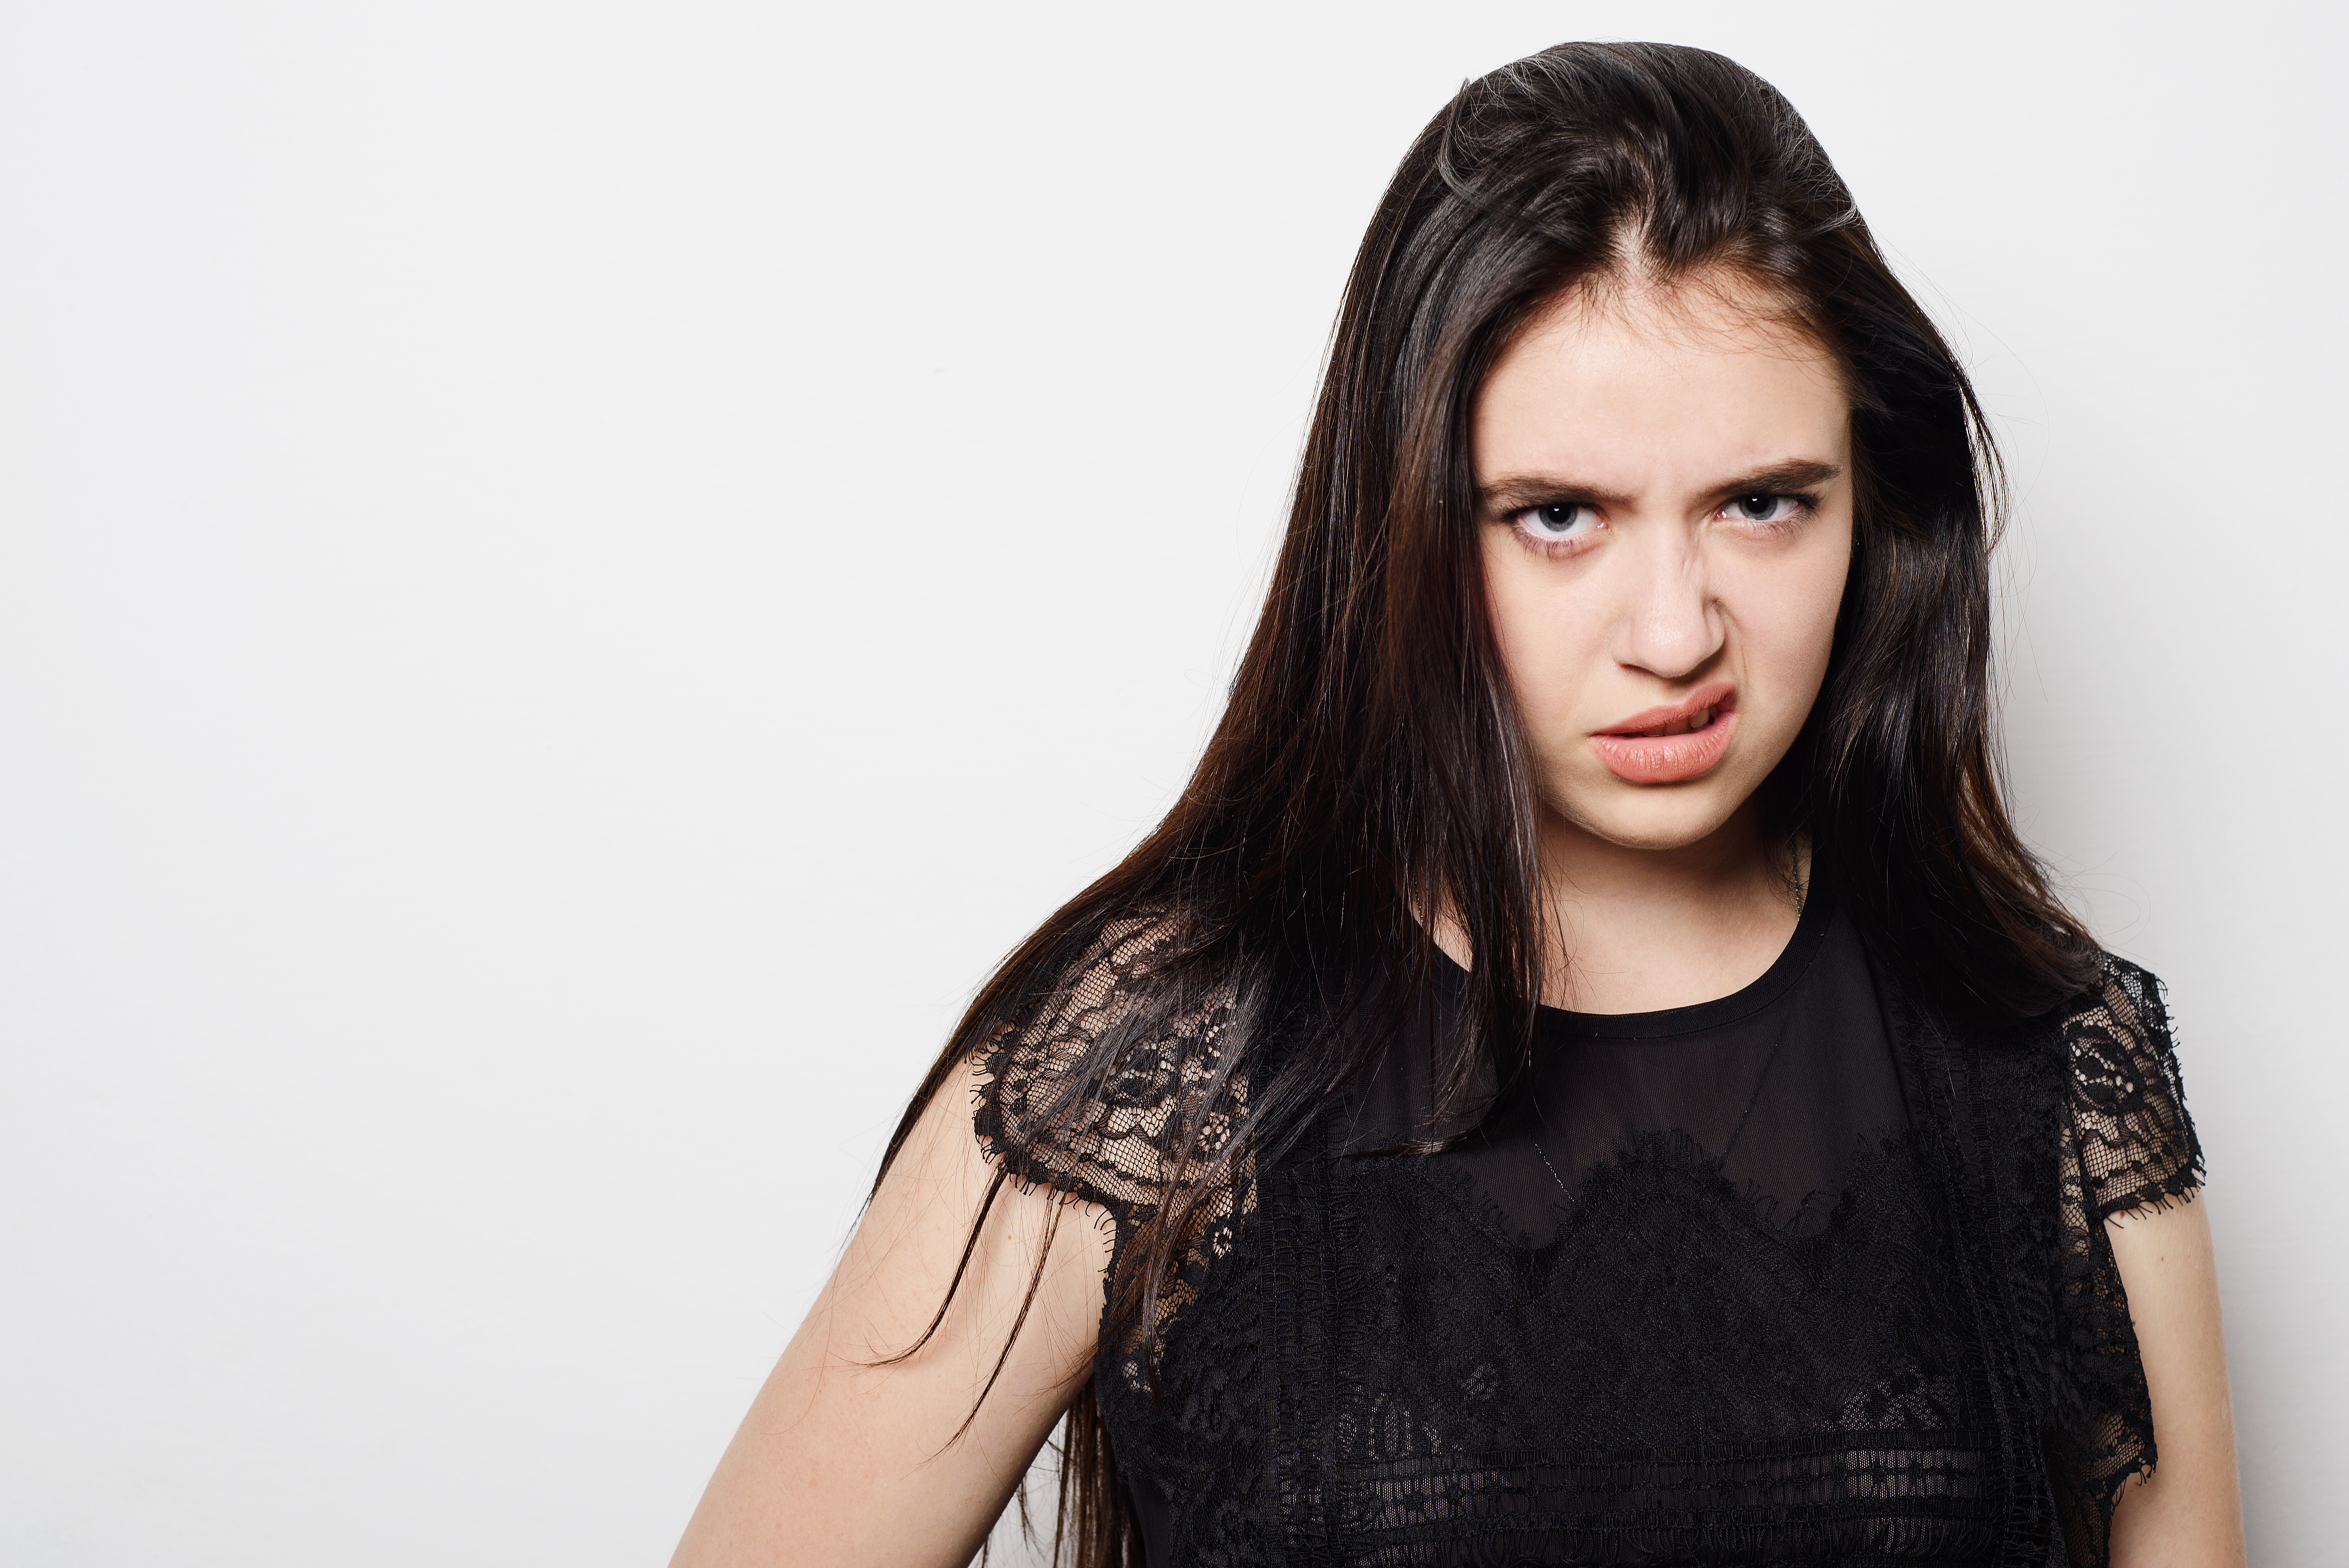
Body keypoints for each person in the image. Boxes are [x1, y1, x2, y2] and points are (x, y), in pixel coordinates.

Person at [671, 41, 2243, 1568]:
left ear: (1873, 505)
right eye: (1561, 517)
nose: (1676, 631)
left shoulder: (2051, 1067)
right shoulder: (1157, 1064)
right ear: (1415, 526)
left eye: (1761, 503)